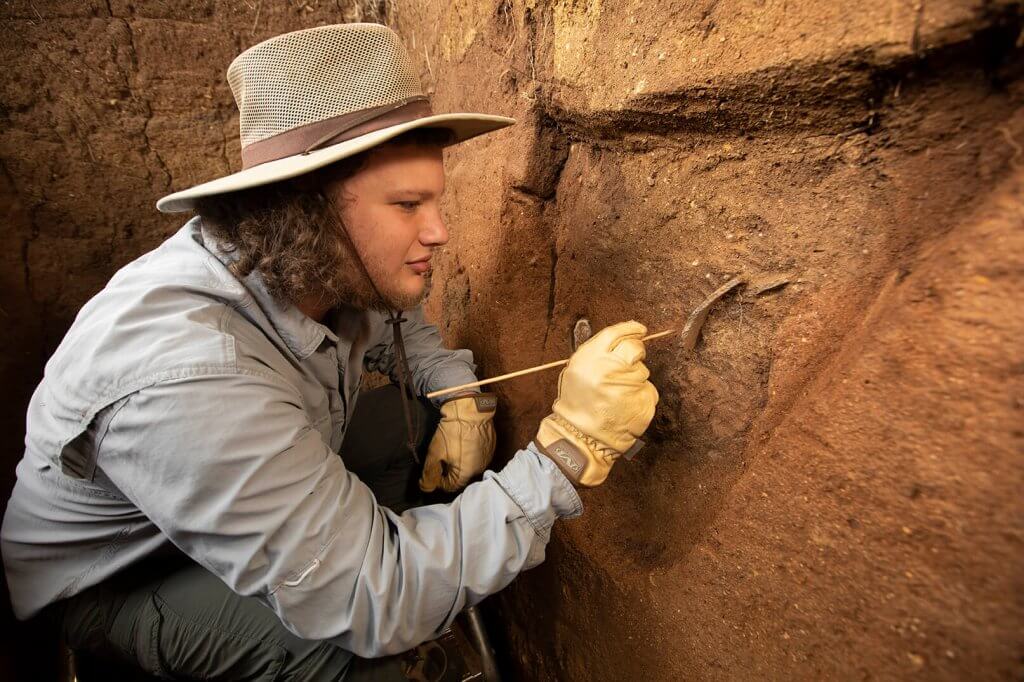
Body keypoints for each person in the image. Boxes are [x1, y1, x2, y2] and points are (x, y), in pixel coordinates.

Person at [1, 23, 659, 680]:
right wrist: (566, 452)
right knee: (361, 654)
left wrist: (458, 397)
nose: (439, 232)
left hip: (213, 504)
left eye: (437, 200)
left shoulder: (301, 262)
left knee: (417, 422)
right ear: (306, 207)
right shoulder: (190, 373)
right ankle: (383, 585)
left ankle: (383, 558)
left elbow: (407, 334)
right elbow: (371, 602)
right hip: (128, 577)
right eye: (407, 205)